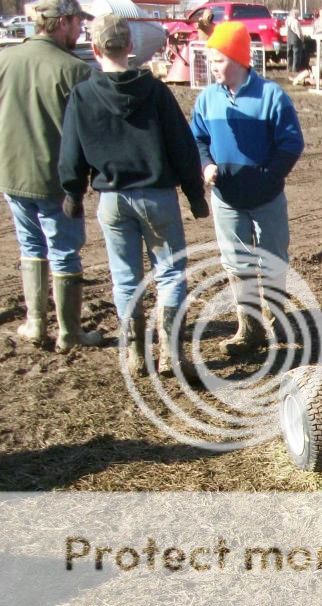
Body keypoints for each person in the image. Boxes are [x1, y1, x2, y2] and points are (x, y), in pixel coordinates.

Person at [59, 15, 207, 380]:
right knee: (170, 274)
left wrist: (72, 193)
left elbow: (71, 153)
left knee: (125, 280)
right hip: (157, 196)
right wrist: (194, 194)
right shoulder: (156, 92)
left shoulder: (82, 95)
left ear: (95, 49)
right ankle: (171, 354)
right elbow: (182, 147)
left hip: (111, 198)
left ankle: (136, 356)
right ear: (130, 47)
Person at [191, 21, 304, 355]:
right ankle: (249, 329)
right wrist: (206, 165)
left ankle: (276, 320)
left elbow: (291, 143)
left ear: (239, 58)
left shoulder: (271, 96)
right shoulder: (207, 100)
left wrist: (269, 177)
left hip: (266, 197)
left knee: (272, 257)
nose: (213, 68)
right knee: (236, 263)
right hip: (227, 197)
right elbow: (196, 138)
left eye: (219, 60)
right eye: (210, 61)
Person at [0, 0, 103, 353]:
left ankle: (37, 323)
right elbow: (93, 131)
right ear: (62, 22)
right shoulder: (75, 70)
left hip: (12, 173)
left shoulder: (5, 59)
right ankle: (69, 332)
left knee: (31, 248)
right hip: (56, 180)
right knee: (64, 253)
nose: (80, 30)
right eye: (77, 22)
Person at [286, 8, 304, 73]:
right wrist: (302, 39)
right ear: (295, 14)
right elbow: (298, 32)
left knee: (289, 54)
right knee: (296, 55)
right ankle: (295, 69)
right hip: (295, 40)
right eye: (297, 14)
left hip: (289, 39)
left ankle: (289, 68)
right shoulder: (296, 22)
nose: (298, 16)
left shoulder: (287, 21)